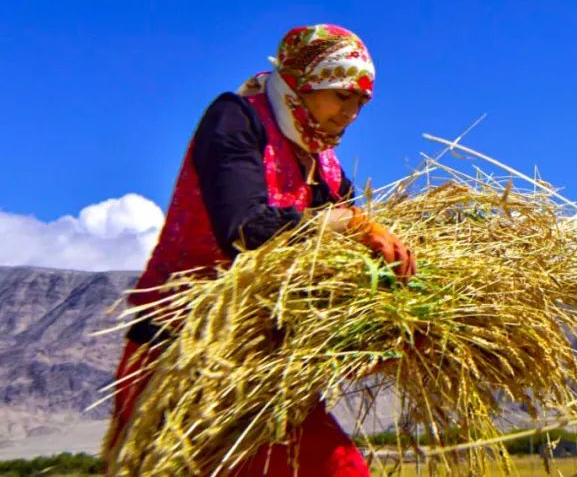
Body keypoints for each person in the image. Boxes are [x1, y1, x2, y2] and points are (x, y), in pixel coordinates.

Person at [105, 24, 414, 476]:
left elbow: (340, 258)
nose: (351, 113)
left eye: (360, 102)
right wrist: (347, 224)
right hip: (187, 357)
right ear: (302, 84)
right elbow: (244, 228)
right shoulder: (236, 119)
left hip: (261, 363)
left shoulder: (324, 165)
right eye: (341, 95)